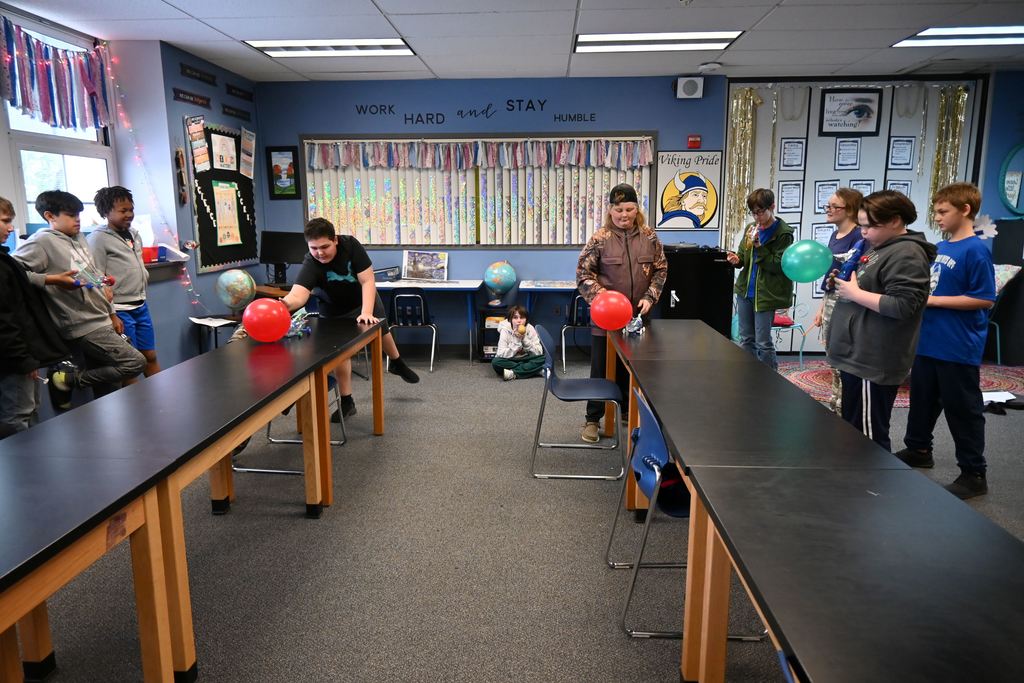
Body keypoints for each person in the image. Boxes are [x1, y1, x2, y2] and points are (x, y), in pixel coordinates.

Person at [895, 183, 996, 499]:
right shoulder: (942, 247)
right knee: (922, 400)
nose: (937, 217)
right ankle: (919, 449)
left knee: (962, 409)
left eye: (943, 211)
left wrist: (934, 301)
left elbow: (984, 299)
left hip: (957, 347)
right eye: (936, 211)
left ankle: (973, 472)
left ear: (965, 210)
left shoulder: (976, 250)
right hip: (929, 342)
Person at [14, 190, 146, 409]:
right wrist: (52, 279)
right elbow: (12, 273)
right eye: (70, 215)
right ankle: (68, 380)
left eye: (78, 215)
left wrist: (111, 312)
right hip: (81, 324)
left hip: (101, 317)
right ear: (50, 216)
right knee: (135, 362)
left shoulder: (79, 237)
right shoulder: (41, 242)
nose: (77, 220)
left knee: (110, 388)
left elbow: (92, 275)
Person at [281, 217, 419, 422]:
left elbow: (367, 280)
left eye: (325, 246)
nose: (320, 253)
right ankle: (347, 403)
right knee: (340, 352)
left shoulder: (350, 246)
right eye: (314, 248)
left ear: (335, 240)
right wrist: (283, 304)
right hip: (332, 307)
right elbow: (298, 296)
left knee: (381, 328)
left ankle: (397, 362)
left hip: (362, 299)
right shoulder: (311, 263)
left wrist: (366, 311)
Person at [828, 190, 936, 451]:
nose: (862, 232)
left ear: (894, 221)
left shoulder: (907, 253)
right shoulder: (881, 248)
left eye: (869, 226)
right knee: (854, 428)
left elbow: (903, 305)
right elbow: (871, 286)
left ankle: (871, 488)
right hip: (858, 355)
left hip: (873, 360)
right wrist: (844, 283)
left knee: (869, 438)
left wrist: (855, 293)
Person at [577, 183, 667, 443]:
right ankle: (593, 420)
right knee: (601, 369)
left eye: (629, 209)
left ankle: (628, 411)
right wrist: (602, 298)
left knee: (635, 369)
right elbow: (583, 274)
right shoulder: (600, 238)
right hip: (605, 318)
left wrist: (651, 296)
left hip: (639, 318)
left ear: (637, 209)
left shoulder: (650, 237)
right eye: (619, 210)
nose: (624, 215)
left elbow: (661, 270)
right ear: (610, 210)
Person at [0, 196, 70, 436]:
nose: (10, 228)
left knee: (29, 410)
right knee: (17, 416)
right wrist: (24, 359)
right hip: (13, 360)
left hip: (23, 354)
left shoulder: (5, 259)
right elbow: (5, 321)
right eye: (5, 221)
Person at [89, 186, 160, 381]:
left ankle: (161, 400)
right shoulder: (98, 239)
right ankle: (137, 409)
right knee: (132, 364)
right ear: (106, 212)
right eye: (123, 211)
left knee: (150, 356)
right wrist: (111, 313)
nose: (129, 214)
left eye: (130, 209)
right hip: (120, 310)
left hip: (140, 305)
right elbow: (97, 279)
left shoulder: (134, 234)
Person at [726, 188, 794, 370]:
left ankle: (770, 381)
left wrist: (759, 247)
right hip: (745, 291)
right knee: (746, 339)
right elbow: (743, 256)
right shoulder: (750, 228)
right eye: (753, 213)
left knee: (763, 342)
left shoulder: (783, 233)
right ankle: (749, 376)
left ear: (772, 207)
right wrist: (736, 260)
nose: (757, 217)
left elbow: (778, 265)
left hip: (766, 294)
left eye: (761, 212)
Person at [811, 187, 864, 413]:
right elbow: (830, 274)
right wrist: (822, 307)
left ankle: (845, 408)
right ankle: (835, 404)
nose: (829, 210)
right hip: (831, 298)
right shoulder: (835, 235)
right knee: (832, 355)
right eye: (828, 206)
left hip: (847, 303)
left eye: (835, 206)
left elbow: (856, 275)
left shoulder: (860, 236)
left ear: (850, 209)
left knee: (842, 358)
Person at [491, 305, 544, 380]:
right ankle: (533, 370)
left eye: (522, 318)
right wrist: (517, 341)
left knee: (544, 358)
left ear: (526, 319)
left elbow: (539, 352)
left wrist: (524, 338)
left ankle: (513, 373)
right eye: (515, 318)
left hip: (527, 358)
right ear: (510, 320)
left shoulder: (530, 328)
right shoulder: (505, 330)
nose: (519, 321)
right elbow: (500, 353)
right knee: (496, 362)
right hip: (510, 360)